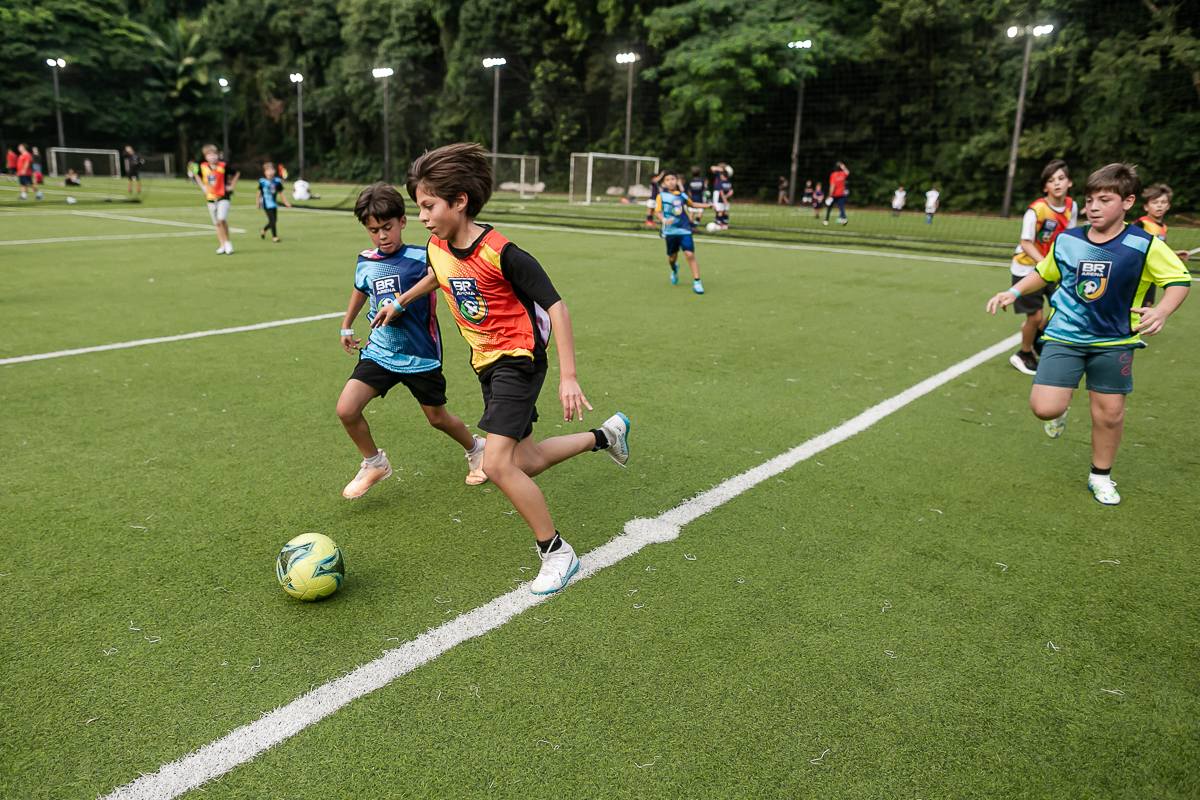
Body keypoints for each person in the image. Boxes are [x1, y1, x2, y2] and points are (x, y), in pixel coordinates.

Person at [375, 142, 630, 595]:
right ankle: (606, 436)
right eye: (420, 207)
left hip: (519, 359)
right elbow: (440, 271)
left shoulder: (503, 253)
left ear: (460, 201)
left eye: (430, 205)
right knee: (524, 462)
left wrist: (568, 376)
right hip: (486, 364)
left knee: (495, 464)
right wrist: (402, 300)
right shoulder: (438, 245)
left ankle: (556, 552)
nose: (423, 216)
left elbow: (557, 307)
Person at [985, 163, 1191, 506]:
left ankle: (1100, 476)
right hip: (1065, 336)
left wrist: (1162, 310)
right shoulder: (1068, 239)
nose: (1094, 206)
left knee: (1109, 413)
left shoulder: (1145, 244)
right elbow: (1043, 271)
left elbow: (1178, 280)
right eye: (1090, 199)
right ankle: (1060, 411)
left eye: (1104, 199)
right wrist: (1015, 292)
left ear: (1127, 202)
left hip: (1115, 341)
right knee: (1044, 408)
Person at [334, 182, 486, 499]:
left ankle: (476, 448)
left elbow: (439, 277)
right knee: (347, 409)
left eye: (387, 227)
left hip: (419, 355)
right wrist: (347, 325)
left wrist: (400, 302)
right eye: (374, 230)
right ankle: (374, 463)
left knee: (438, 418)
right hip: (379, 352)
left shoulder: (422, 256)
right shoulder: (366, 259)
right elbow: (361, 288)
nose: (382, 236)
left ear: (402, 222)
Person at [1007, 159, 1077, 375]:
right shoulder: (1036, 210)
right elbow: (1026, 243)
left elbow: (1068, 238)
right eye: (1051, 180)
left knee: (1063, 307)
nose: (1056, 183)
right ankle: (1024, 353)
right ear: (1045, 186)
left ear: (1069, 182)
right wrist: (1044, 264)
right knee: (1035, 316)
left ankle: (1037, 337)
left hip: (1053, 267)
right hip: (1027, 269)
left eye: (1061, 178)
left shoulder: (1071, 206)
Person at [1133, 183, 1192, 308]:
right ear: (1146, 207)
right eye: (1155, 202)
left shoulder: (1164, 227)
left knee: (1148, 304)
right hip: (1138, 272)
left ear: (1168, 206)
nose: (1159, 205)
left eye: (1163, 202)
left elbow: (1159, 249)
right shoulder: (1141, 224)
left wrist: (1174, 253)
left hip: (1152, 271)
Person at [655, 169, 713, 294]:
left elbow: (692, 204)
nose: (670, 182)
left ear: (677, 180)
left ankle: (697, 281)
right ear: (664, 183)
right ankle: (674, 268)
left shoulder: (682, 195)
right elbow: (657, 212)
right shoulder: (661, 196)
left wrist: (707, 206)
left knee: (690, 255)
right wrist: (664, 220)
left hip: (684, 229)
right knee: (672, 258)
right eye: (667, 180)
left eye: (672, 179)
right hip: (670, 232)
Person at [193, 144, 234, 254]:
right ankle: (222, 245)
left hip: (223, 197)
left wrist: (231, 186)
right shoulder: (203, 167)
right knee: (217, 223)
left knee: (221, 219)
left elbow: (236, 173)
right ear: (206, 157)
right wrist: (203, 187)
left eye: (214, 154)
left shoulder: (223, 165)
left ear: (218, 155)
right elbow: (196, 175)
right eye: (210, 155)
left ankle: (228, 243)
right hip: (211, 198)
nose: (213, 157)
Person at [256, 162, 292, 242]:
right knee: (272, 220)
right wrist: (257, 202)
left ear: (274, 171)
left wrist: (285, 202)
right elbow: (259, 192)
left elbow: (281, 192)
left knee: (274, 220)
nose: (270, 172)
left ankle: (264, 229)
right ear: (265, 172)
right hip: (265, 203)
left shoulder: (277, 181)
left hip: (274, 203)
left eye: (271, 170)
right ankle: (275, 237)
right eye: (268, 171)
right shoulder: (262, 181)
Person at [824, 161, 850, 226]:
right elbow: (847, 172)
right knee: (841, 207)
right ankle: (844, 219)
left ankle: (826, 221)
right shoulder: (843, 174)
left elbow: (832, 186)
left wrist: (829, 195)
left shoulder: (833, 175)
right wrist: (843, 167)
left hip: (834, 195)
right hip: (841, 194)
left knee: (829, 208)